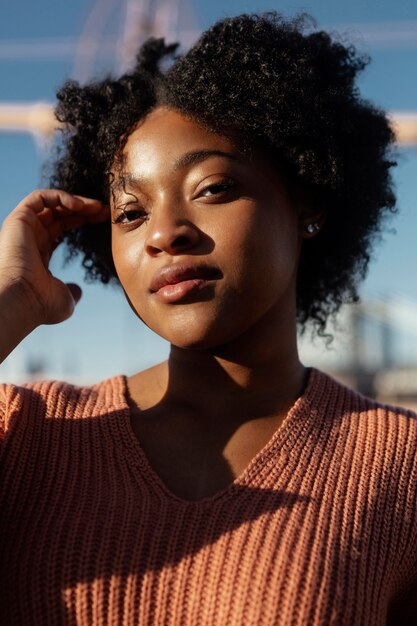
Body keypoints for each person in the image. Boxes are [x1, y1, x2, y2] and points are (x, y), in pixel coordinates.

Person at [0, 12, 416, 626]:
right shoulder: (27, 436)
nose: (166, 233)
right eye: (131, 214)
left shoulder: (399, 467)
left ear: (307, 201)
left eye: (213, 187)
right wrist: (9, 300)